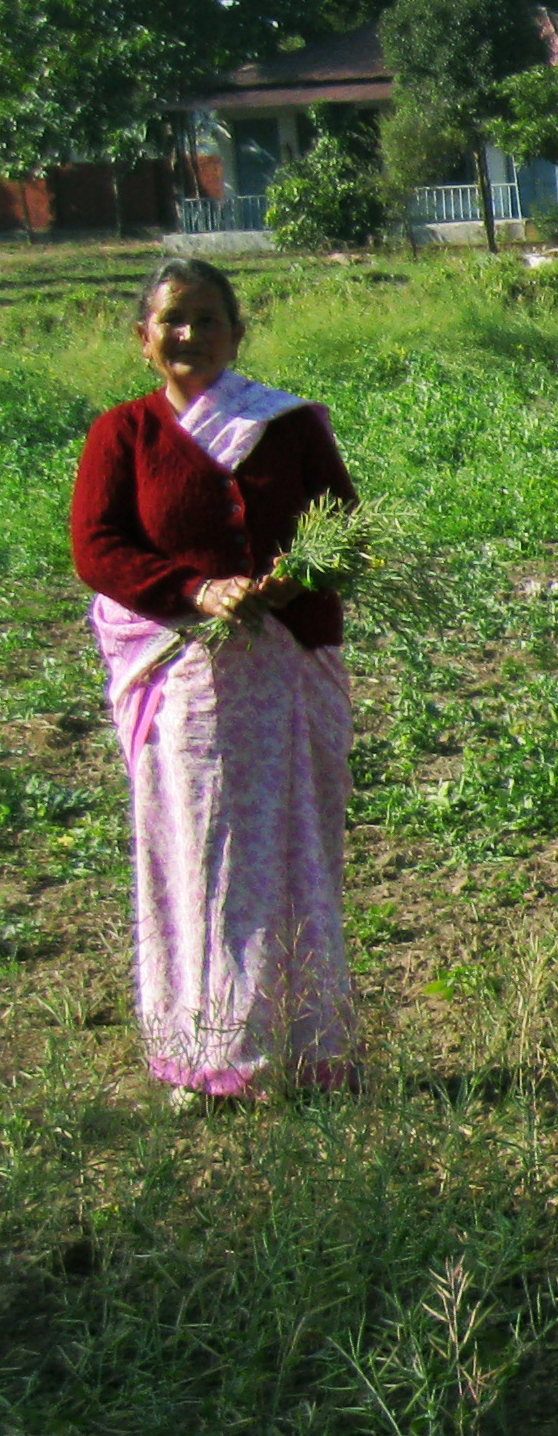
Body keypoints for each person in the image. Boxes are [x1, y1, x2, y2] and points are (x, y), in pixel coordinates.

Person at [72, 259, 360, 1101]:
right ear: (143, 338)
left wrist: (289, 581)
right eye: (173, 320)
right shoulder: (122, 435)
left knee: (295, 846)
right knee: (204, 857)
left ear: (239, 332)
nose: (190, 335)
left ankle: (307, 1047)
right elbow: (100, 547)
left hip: (285, 671)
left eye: (207, 319)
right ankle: (210, 1054)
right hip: (187, 683)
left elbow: (343, 527)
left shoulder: (289, 428)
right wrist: (197, 589)